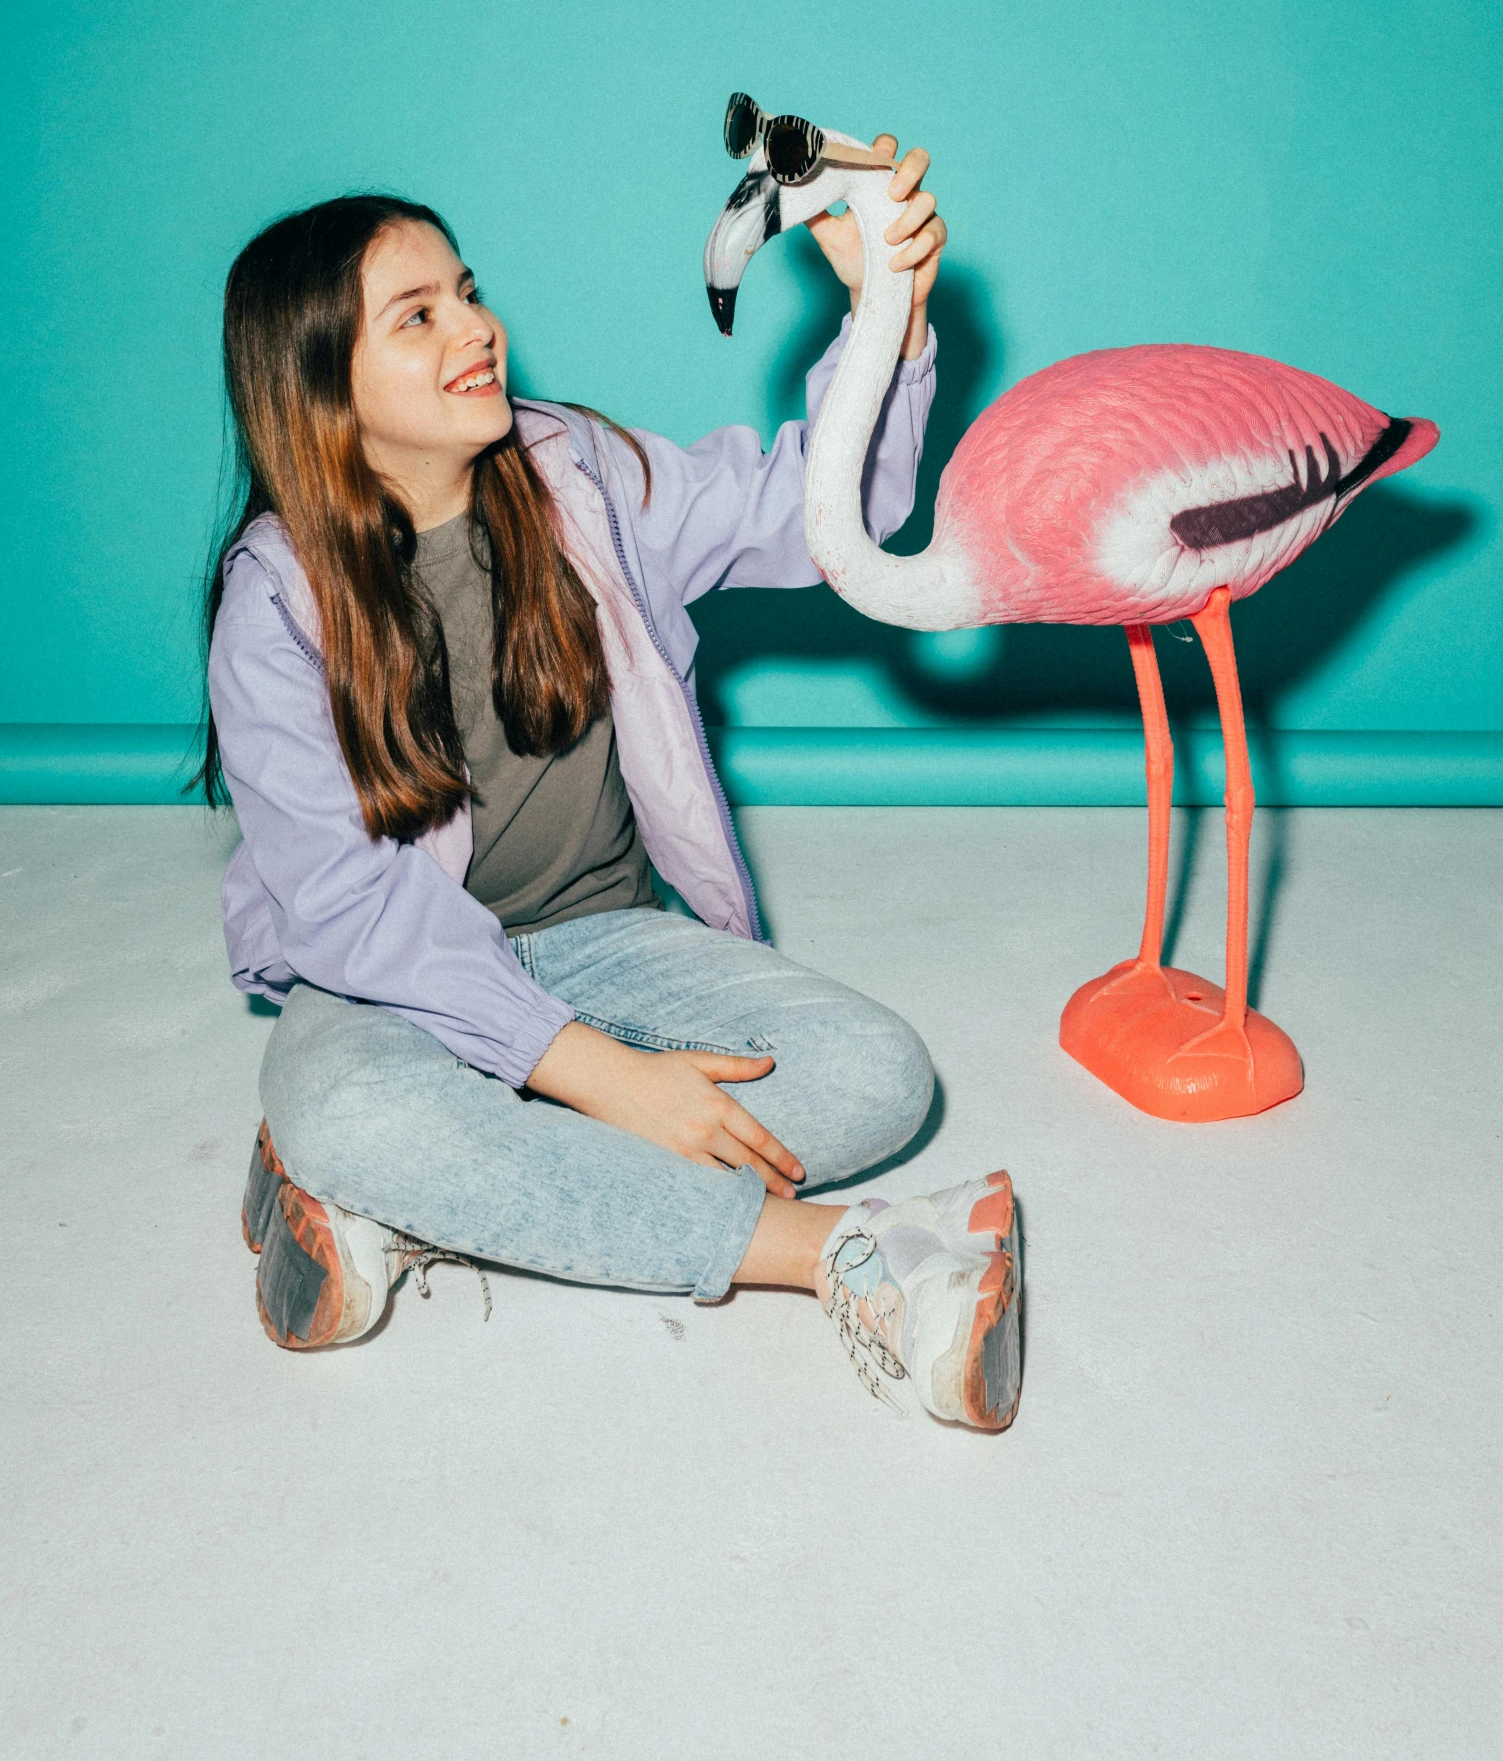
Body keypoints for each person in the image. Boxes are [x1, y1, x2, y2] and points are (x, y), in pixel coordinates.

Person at [204, 133, 1021, 1431]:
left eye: (466, 290)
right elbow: (356, 912)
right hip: (402, 981)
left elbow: (823, 513)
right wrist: (595, 1073)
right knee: (350, 1106)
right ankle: (853, 1253)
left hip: (610, 937)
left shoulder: (577, 472)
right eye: (418, 316)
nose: (477, 329)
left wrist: (886, 313)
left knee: (877, 1073)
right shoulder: (275, 603)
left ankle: (410, 1205)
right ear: (320, 385)